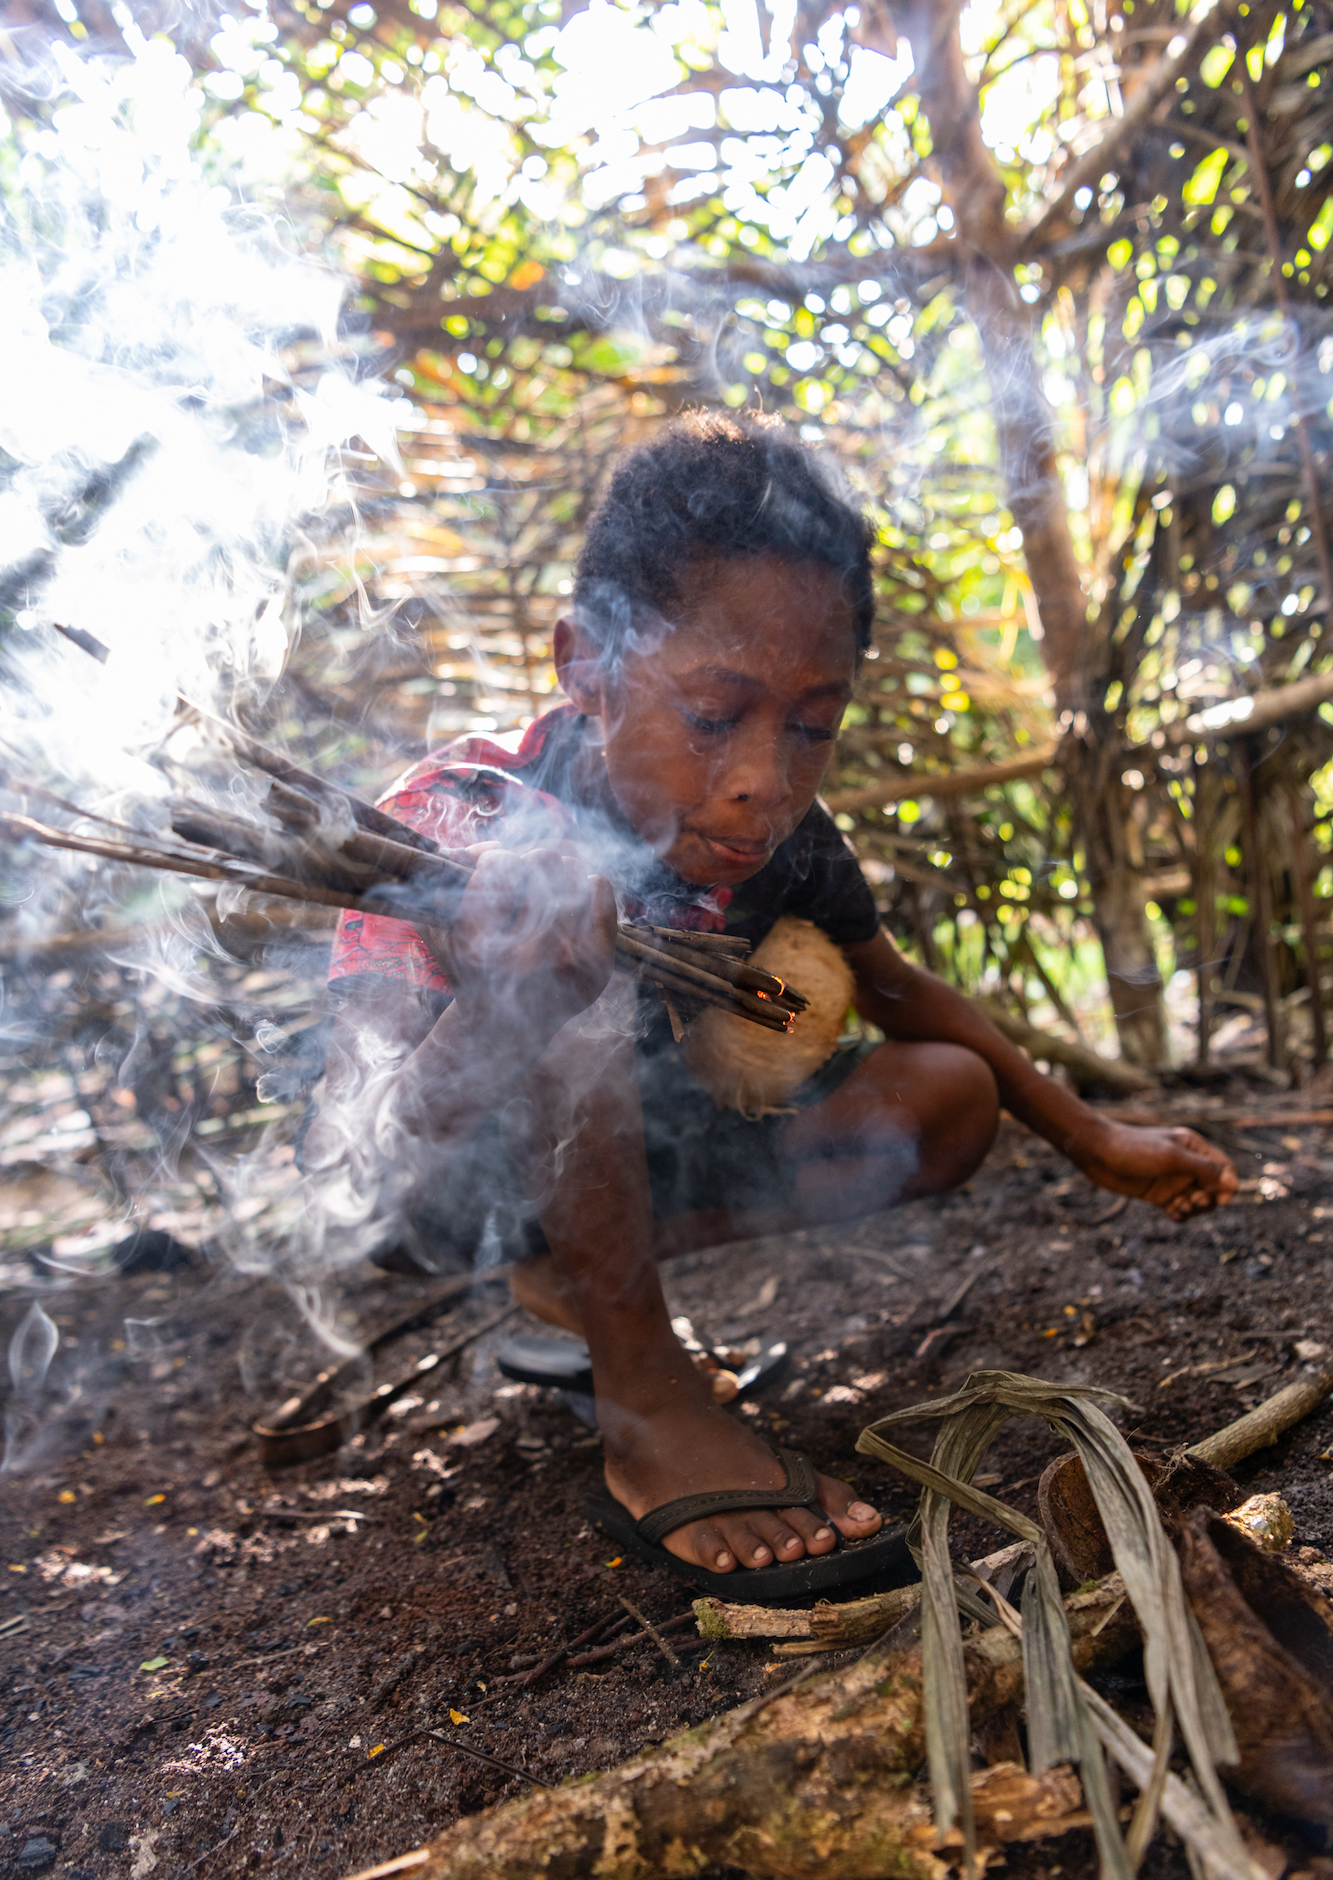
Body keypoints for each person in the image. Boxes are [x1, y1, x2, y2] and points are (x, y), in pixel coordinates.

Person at [306, 410, 1235, 1600]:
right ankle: (645, 1403)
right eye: (712, 715)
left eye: (811, 724)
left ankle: (578, 1277)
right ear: (584, 661)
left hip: (627, 1162)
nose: (764, 778)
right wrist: (502, 1004)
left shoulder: (773, 837)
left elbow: (902, 993)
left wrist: (1093, 1133)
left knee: (948, 1097)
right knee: (572, 992)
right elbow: (362, 1152)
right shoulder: (460, 820)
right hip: (445, 1187)